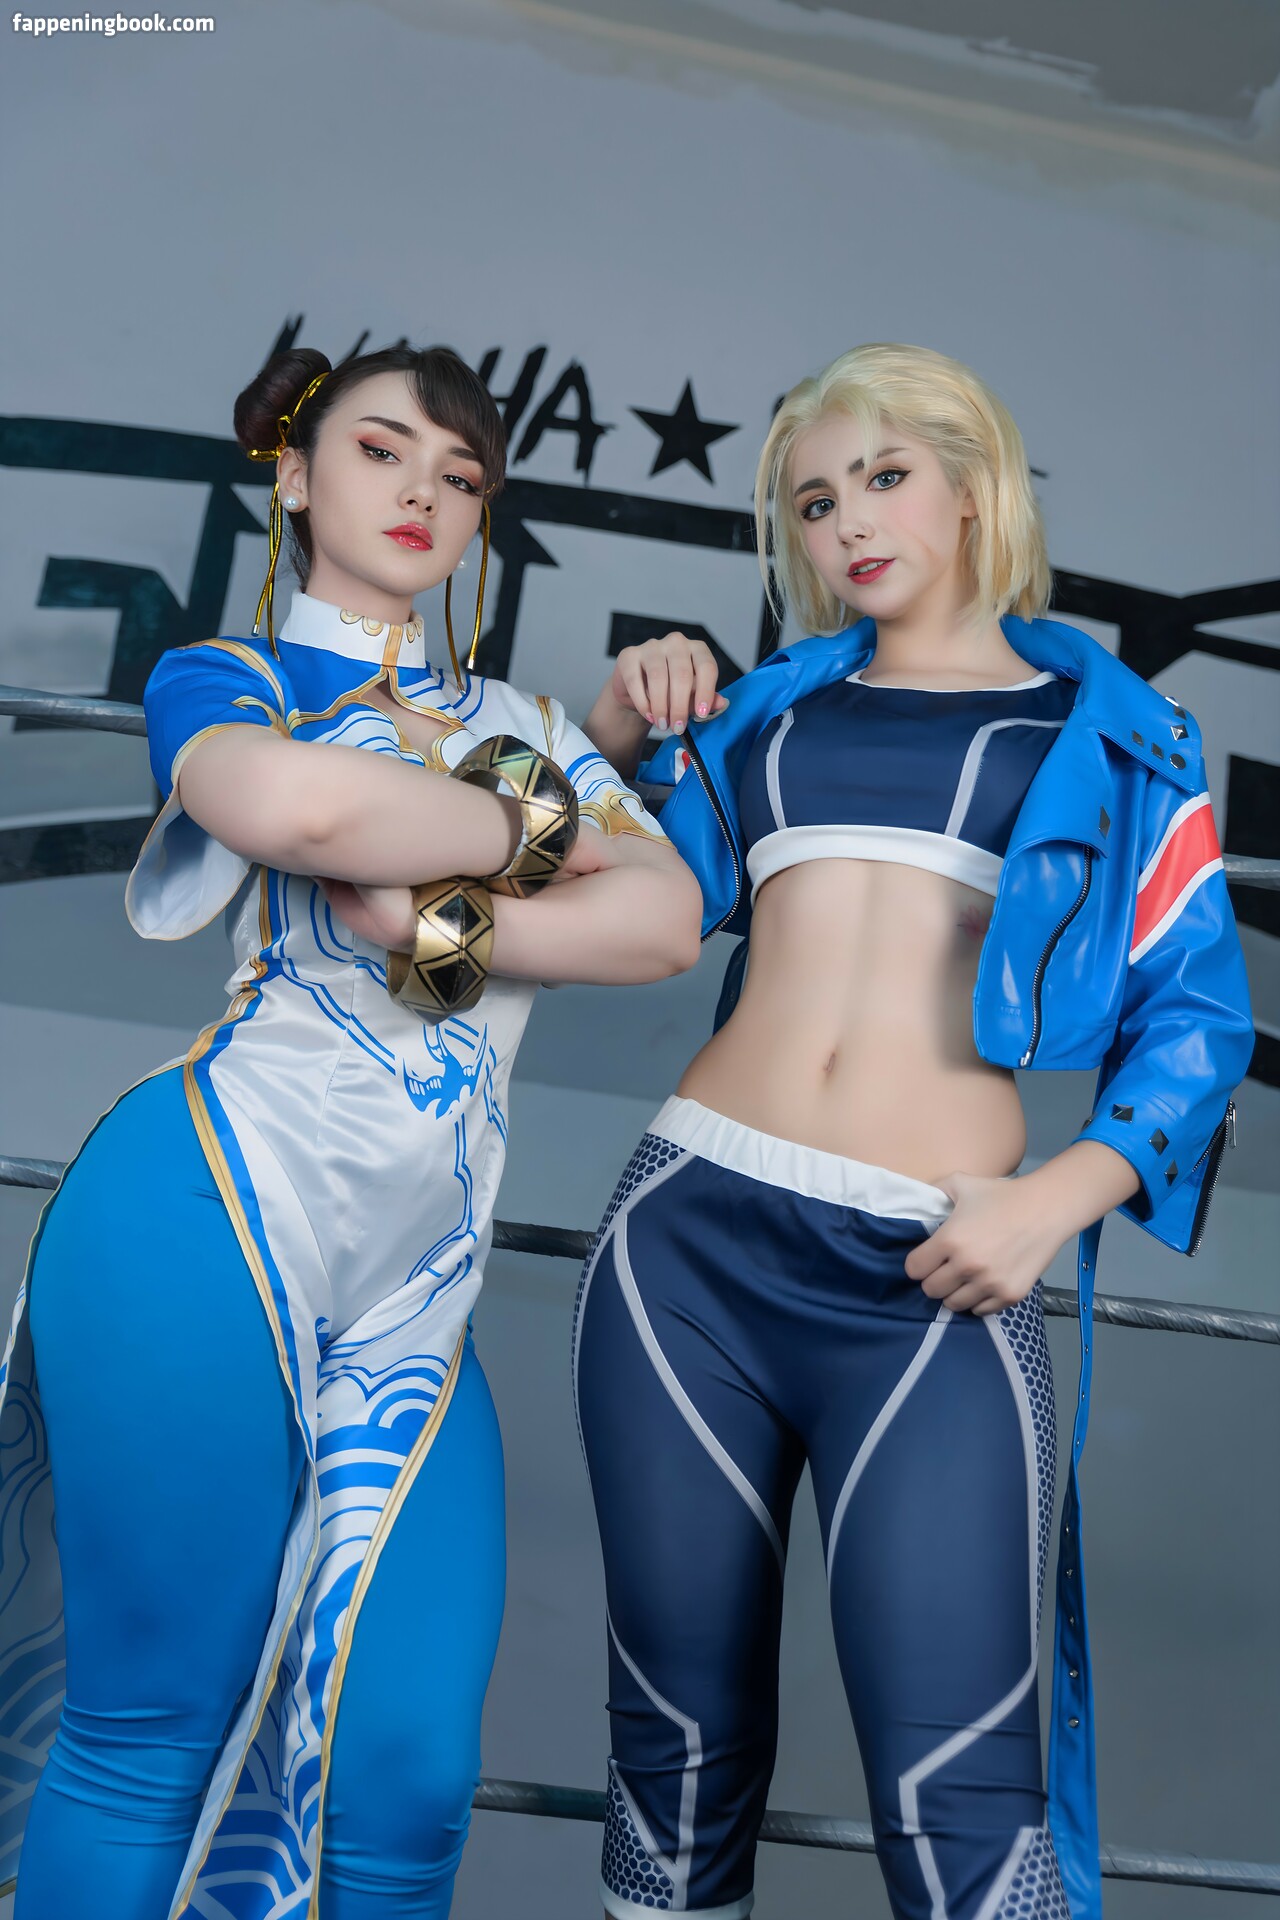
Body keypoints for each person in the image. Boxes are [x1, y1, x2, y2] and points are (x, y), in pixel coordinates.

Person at [0, 342, 702, 1920]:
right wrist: (540, 830)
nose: (420, 493)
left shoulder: (520, 717)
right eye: (382, 451)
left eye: (459, 476)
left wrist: (433, 922)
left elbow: (666, 919)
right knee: (153, 1721)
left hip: (418, 1283)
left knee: (405, 1775)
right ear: (299, 472)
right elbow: (295, 812)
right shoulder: (228, 675)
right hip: (212, 1198)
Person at [575, 342, 1252, 1920]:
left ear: (973, 487)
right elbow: (601, 903)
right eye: (818, 501)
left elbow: (1199, 1023)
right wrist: (610, 735)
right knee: (674, 1755)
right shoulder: (755, 720)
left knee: (965, 1790)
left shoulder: (1119, 738)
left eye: (886, 477)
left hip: (935, 1269)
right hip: (686, 1246)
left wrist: (1050, 1202)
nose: (852, 523)